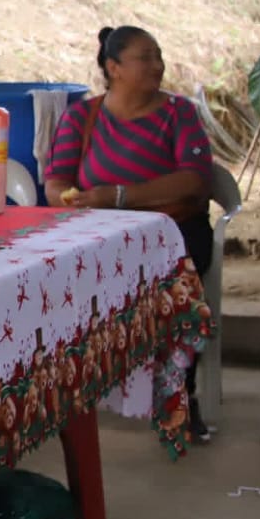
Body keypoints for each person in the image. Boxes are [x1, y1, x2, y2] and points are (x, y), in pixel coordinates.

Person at [43, 25, 215, 441]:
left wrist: (120, 196)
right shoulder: (82, 117)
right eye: (145, 57)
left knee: (178, 284)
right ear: (114, 67)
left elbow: (195, 180)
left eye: (159, 56)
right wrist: (71, 202)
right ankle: (67, 394)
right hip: (100, 235)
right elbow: (56, 181)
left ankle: (177, 395)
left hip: (172, 231)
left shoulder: (179, 113)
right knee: (50, 280)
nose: (158, 66)